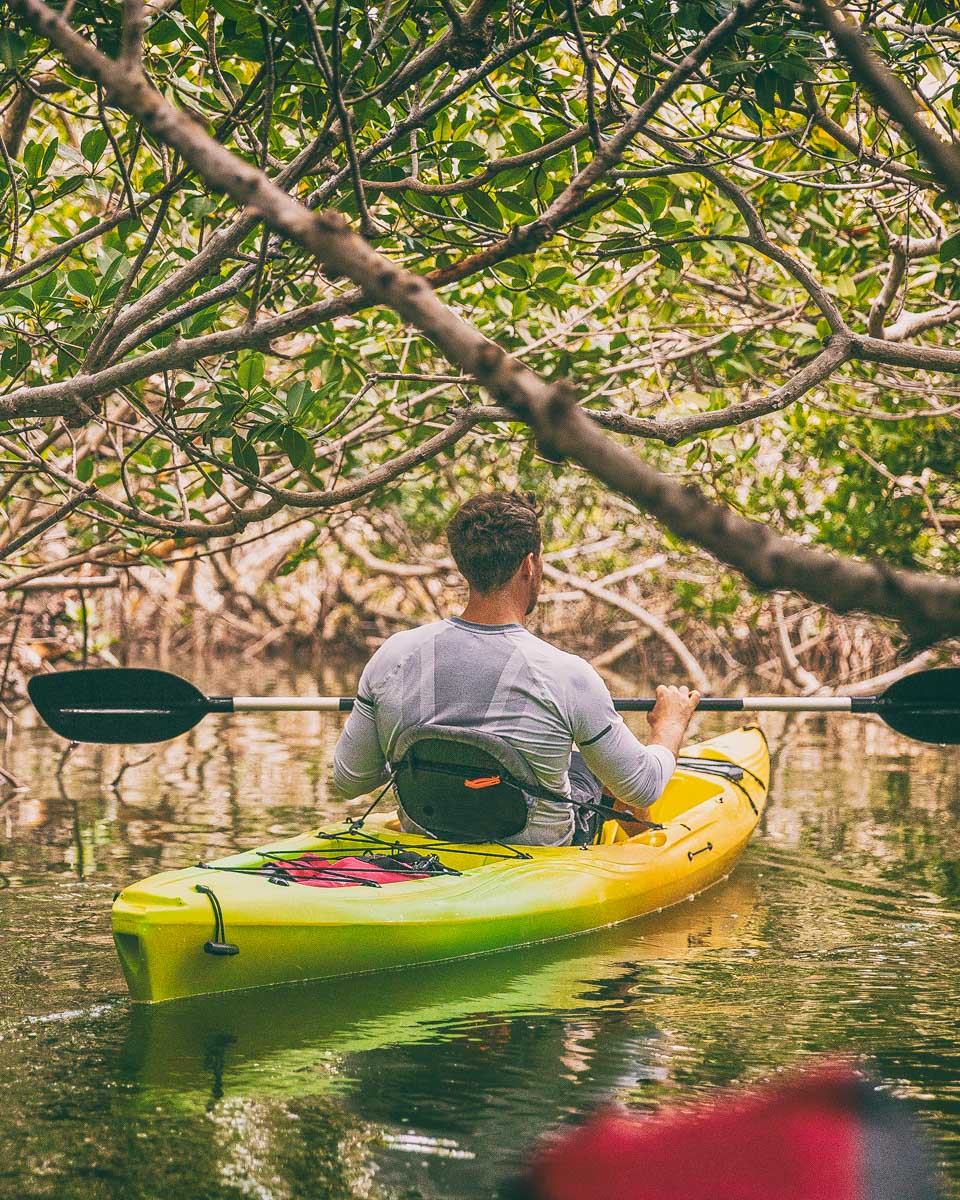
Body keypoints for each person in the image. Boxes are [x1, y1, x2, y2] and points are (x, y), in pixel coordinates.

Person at [332, 491, 700, 846]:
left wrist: (409, 757)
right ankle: (651, 849)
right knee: (603, 771)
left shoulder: (392, 655)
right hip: (540, 852)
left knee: (584, 762)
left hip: (429, 834)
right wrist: (669, 726)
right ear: (529, 565)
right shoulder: (567, 674)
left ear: (464, 564)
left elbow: (350, 780)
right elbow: (644, 786)